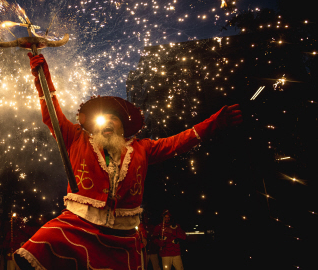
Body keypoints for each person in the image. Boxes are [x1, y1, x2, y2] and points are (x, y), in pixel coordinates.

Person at [13, 53, 242, 270]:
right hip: (78, 225)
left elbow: (178, 142)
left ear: (123, 128)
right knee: (35, 250)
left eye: (115, 119)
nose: (109, 122)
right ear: (94, 125)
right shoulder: (75, 137)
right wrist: (42, 74)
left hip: (123, 237)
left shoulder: (142, 148)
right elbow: (51, 112)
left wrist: (213, 123)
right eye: (104, 119)